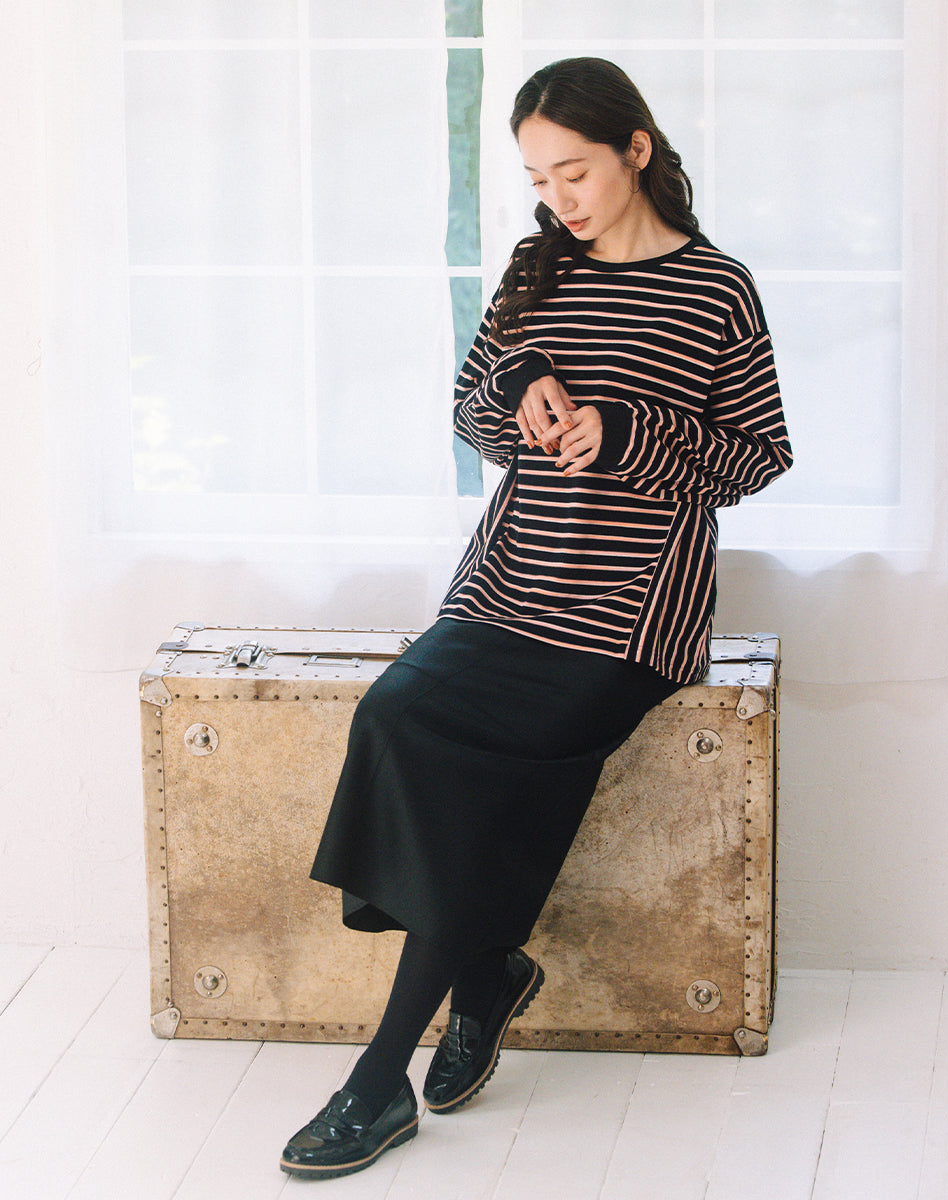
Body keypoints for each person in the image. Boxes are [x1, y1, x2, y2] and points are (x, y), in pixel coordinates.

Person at [280, 56, 792, 1180]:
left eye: (576, 172)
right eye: (538, 179)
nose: (560, 198)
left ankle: (379, 1080)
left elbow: (758, 456)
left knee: (480, 772)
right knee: (396, 715)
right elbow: (469, 413)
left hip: (631, 611)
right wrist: (521, 396)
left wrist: (628, 430)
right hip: (508, 584)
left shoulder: (717, 288)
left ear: (636, 151)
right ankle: (488, 971)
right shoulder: (535, 270)